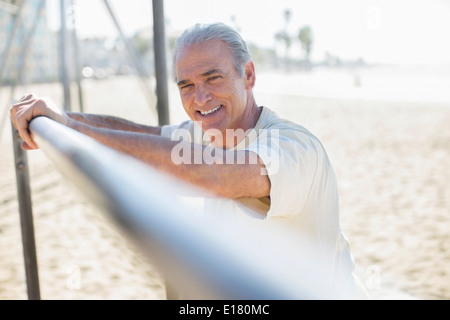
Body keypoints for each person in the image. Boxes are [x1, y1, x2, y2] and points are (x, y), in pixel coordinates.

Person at [10, 23, 363, 298]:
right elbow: (142, 135)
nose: (200, 97)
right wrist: (65, 121)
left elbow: (217, 176)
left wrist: (71, 127)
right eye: (186, 86)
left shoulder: (294, 146)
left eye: (213, 78)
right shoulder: (204, 134)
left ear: (249, 75)